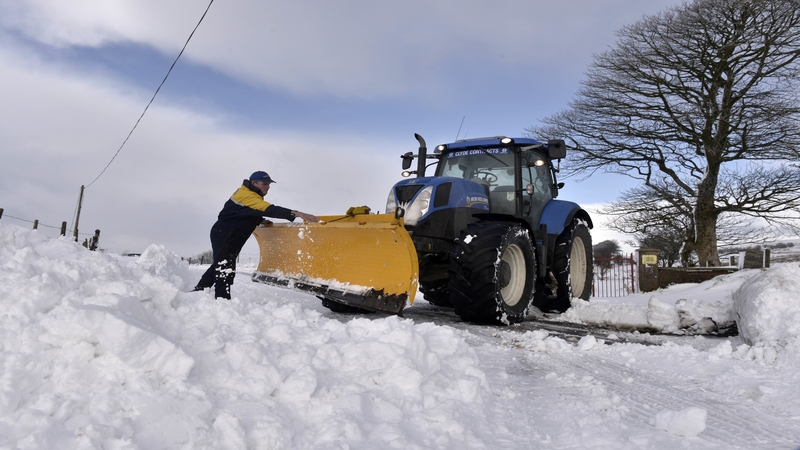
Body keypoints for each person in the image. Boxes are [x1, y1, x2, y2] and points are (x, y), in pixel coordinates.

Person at [193, 171, 319, 299]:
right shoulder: (247, 195)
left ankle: (200, 289)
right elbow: (268, 209)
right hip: (226, 233)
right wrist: (297, 213)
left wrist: (259, 220)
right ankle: (222, 299)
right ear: (254, 183)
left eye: (269, 184)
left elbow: (242, 211)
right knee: (225, 266)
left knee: (221, 263)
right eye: (264, 184)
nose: (268, 187)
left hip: (230, 232)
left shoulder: (249, 193)